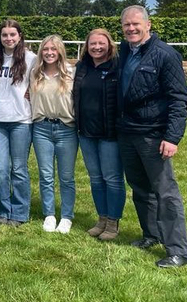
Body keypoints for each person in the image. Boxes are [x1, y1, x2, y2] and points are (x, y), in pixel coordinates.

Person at [117, 5, 187, 268]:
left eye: (136, 24)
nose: (131, 29)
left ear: (148, 25)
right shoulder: (125, 50)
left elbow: (179, 99)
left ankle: (178, 249)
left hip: (154, 135)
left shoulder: (165, 55)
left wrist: (172, 137)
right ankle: (151, 234)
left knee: (165, 192)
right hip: (128, 132)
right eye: (126, 25)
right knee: (140, 188)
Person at [72, 28, 125, 241]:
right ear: (87, 46)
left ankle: (113, 222)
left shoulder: (117, 67)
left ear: (109, 45)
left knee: (112, 179)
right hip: (86, 132)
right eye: (92, 44)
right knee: (95, 178)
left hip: (110, 134)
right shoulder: (81, 67)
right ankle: (101, 218)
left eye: (101, 43)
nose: (96, 47)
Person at [0, 20, 36, 227]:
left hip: (21, 121)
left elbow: (40, 82)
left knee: (19, 169)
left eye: (12, 35)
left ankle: (20, 212)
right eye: (4, 35)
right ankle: (2, 210)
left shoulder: (31, 58)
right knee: (1, 168)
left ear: (20, 36)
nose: (8, 38)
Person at [30, 35, 78, 234]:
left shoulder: (71, 73)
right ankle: (49, 214)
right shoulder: (34, 73)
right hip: (41, 128)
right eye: (46, 49)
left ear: (60, 51)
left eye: (53, 49)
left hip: (66, 129)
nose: (49, 52)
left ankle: (66, 217)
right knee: (46, 175)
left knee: (66, 177)